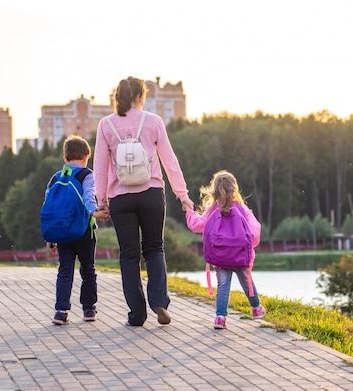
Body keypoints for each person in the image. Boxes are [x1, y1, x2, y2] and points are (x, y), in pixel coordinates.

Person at [94, 76, 194, 327]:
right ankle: (159, 300)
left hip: (120, 197)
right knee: (154, 248)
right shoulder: (153, 121)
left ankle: (137, 315)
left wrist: (101, 200)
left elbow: (100, 167)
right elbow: (170, 161)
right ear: (141, 96)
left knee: (129, 255)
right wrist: (182, 195)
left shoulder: (106, 125)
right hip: (151, 194)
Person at [185, 170, 265, 329]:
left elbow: (196, 225)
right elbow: (254, 235)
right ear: (234, 189)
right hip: (241, 256)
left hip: (220, 256)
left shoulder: (212, 210)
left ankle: (220, 318)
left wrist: (189, 211)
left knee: (223, 285)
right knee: (247, 281)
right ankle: (256, 309)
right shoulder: (242, 209)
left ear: (214, 190)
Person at [45, 135, 109, 325]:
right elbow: (89, 196)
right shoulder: (87, 175)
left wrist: (50, 236)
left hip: (63, 233)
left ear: (65, 158)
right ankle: (89, 309)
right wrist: (95, 212)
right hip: (83, 232)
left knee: (65, 270)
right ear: (86, 156)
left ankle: (61, 311)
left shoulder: (56, 177)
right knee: (88, 269)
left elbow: (49, 207)